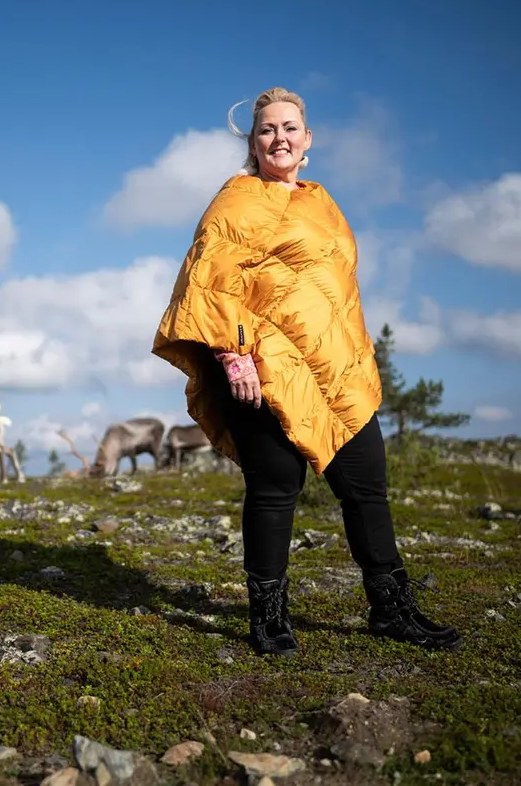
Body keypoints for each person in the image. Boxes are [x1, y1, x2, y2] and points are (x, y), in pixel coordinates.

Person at [151, 86, 462, 655]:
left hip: (333, 365)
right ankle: (268, 616)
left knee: (368, 486)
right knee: (275, 485)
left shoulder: (322, 202)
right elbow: (211, 280)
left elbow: (336, 290)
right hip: (259, 362)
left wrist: (355, 357)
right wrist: (232, 354)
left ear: (307, 139)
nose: (279, 137)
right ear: (253, 141)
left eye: (290, 127)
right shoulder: (237, 200)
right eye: (267, 129)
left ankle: (391, 609)